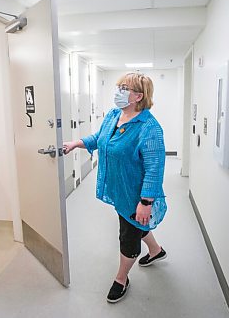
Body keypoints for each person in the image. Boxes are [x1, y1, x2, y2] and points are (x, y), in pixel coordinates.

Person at [63, 72, 168, 303]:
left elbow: (154, 170)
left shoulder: (149, 128)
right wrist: (77, 143)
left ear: (138, 96)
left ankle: (121, 278)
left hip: (135, 194)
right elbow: (100, 138)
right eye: (118, 86)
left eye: (124, 88)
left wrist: (146, 203)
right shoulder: (113, 115)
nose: (118, 91)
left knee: (128, 234)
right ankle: (156, 251)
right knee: (134, 223)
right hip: (119, 188)